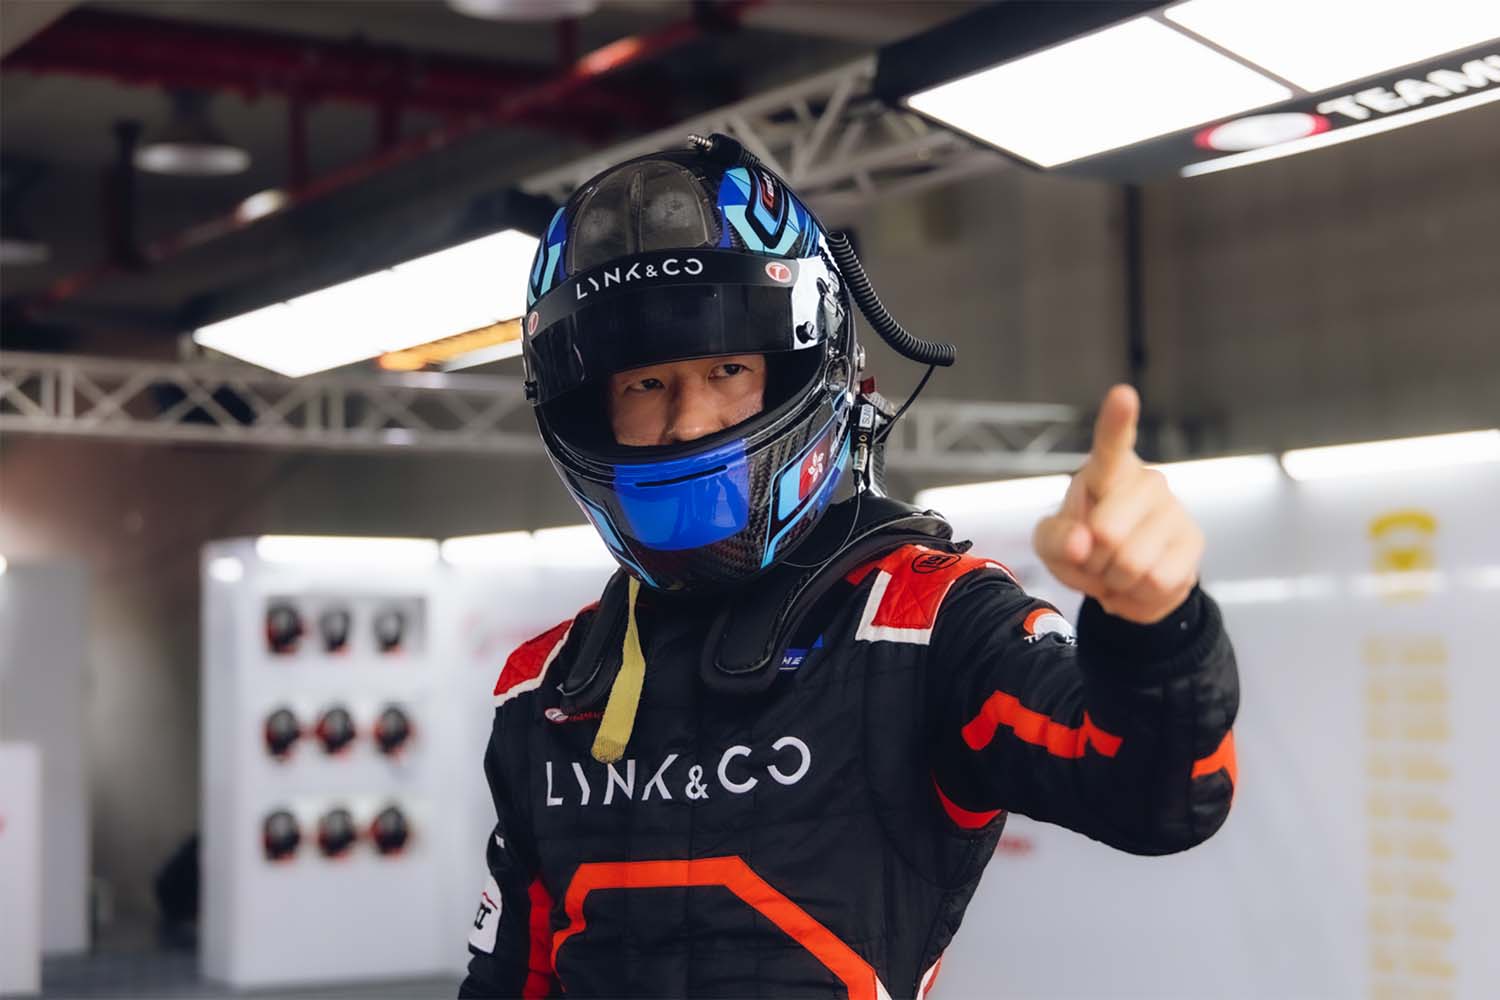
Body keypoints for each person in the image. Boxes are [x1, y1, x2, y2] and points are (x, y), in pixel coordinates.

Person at [458, 137, 1238, 999]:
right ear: (590, 407)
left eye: (727, 370)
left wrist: (1156, 628)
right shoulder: (544, 687)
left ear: (804, 367)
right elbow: (507, 983)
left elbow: (1161, 793)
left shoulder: (925, 624)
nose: (688, 422)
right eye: (646, 384)